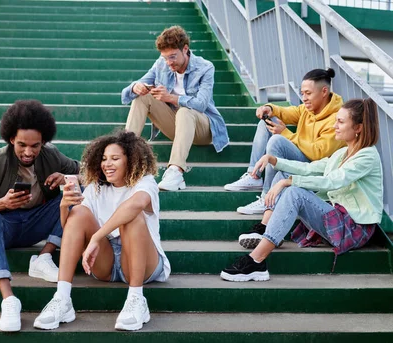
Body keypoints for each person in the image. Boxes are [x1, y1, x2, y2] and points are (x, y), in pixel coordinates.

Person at [221, 98, 383, 282]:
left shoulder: (368, 156)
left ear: (358, 128)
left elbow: (332, 181)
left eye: (340, 121)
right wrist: (275, 160)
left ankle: (256, 261)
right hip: (337, 217)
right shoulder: (342, 153)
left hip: (353, 227)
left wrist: (288, 182)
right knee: (285, 177)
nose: (335, 126)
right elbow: (309, 168)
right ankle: (264, 237)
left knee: (293, 191)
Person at [34, 130, 171, 331]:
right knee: (78, 212)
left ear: (131, 160)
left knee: (131, 217)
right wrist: (64, 208)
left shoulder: (145, 181)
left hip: (143, 262)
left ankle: (136, 300)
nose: (107, 164)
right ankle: (62, 299)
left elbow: (135, 205)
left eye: (115, 158)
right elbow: (72, 230)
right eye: (104, 159)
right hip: (105, 262)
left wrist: (97, 237)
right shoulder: (96, 186)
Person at [0, 100, 79, 332]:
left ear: (43, 142)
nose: (28, 152)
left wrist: (65, 177)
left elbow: (83, 170)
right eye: (22, 145)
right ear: (10, 139)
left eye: (35, 146)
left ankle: (44, 258)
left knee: (75, 192)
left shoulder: (51, 155)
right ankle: (8, 299)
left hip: (37, 222)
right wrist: (1, 203)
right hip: (6, 227)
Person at [121, 25, 229, 192]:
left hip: (203, 128)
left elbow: (201, 104)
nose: (169, 63)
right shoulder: (161, 64)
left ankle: (176, 171)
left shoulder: (205, 67)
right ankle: (124, 156)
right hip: (176, 126)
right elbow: (130, 90)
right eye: (165, 58)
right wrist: (136, 87)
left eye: (172, 57)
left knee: (185, 110)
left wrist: (171, 98)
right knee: (143, 97)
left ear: (185, 49)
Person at [224, 68, 345, 216]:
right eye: (302, 93)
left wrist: (287, 134)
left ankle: (267, 197)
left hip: (315, 167)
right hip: (303, 155)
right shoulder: (308, 109)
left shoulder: (336, 119)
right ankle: (254, 175)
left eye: (308, 93)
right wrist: (269, 108)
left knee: (277, 141)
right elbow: (288, 112)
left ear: (324, 91)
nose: (304, 98)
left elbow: (319, 153)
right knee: (267, 121)